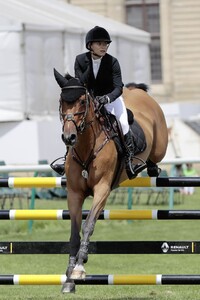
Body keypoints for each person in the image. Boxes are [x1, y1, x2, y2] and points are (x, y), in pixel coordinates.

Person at [51, 26, 145, 179]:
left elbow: (118, 87)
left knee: (123, 123)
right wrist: (90, 99)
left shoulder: (112, 62)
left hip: (111, 98)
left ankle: (129, 160)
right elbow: (81, 84)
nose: (104, 46)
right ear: (90, 45)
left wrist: (107, 98)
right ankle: (67, 157)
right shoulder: (80, 60)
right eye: (100, 43)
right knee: (74, 123)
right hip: (89, 100)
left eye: (106, 44)